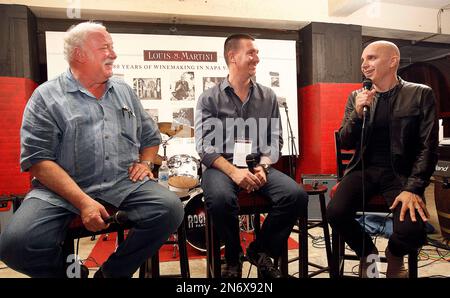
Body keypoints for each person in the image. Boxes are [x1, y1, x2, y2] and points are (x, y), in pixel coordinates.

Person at [0, 21, 184, 278]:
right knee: (15, 245)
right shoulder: (46, 97)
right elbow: (38, 161)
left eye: (112, 47)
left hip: (121, 183)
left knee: (170, 209)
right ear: (79, 54)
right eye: (104, 47)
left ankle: (111, 275)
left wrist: (145, 162)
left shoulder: (124, 91)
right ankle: (73, 275)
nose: (113, 53)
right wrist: (83, 202)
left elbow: (150, 136)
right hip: (61, 190)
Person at [195, 34, 308, 278]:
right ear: (232, 56)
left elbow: (275, 140)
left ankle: (260, 250)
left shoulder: (268, 97)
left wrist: (264, 166)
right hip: (222, 167)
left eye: (257, 53)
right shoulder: (209, 98)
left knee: (296, 195)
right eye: (251, 52)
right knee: (221, 198)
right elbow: (204, 146)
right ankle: (232, 256)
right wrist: (235, 172)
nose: (257, 58)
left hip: (257, 163)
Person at [326, 41, 438, 278]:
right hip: (363, 170)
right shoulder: (357, 96)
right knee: (335, 212)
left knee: (413, 229)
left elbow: (428, 147)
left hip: (401, 174)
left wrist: (414, 188)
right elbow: (345, 142)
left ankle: (395, 255)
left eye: (372, 58)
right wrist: (356, 115)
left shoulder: (420, 94)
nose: (365, 65)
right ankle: (368, 254)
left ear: (392, 61)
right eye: (363, 60)